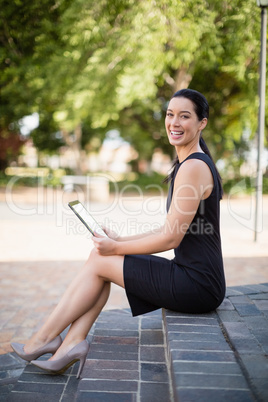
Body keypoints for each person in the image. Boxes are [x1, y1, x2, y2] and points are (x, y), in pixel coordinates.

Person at [11, 88, 226, 378]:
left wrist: (115, 249)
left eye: (184, 116)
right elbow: (169, 229)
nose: (174, 122)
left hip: (198, 285)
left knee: (101, 260)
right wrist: (117, 242)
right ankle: (69, 343)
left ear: (202, 123)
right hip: (193, 276)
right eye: (170, 114)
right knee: (100, 257)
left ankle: (46, 339)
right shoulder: (189, 164)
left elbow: (170, 239)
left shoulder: (194, 167)